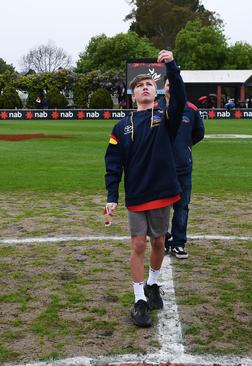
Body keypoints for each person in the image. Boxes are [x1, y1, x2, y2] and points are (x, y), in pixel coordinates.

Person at [105, 50, 186, 327]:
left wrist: (172, 66)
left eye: (148, 85)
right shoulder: (121, 126)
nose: (144, 88)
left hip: (163, 191)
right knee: (138, 243)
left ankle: (153, 284)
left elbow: (181, 100)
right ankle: (139, 299)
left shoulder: (166, 117)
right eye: (139, 86)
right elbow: (113, 164)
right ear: (133, 94)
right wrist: (111, 196)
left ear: (157, 91)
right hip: (137, 195)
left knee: (159, 241)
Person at [162, 79, 205, 259]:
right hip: (159, 167)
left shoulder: (192, 109)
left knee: (182, 207)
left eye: (174, 83)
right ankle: (162, 240)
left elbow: (198, 134)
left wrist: (183, 148)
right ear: (163, 87)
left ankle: (178, 242)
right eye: (167, 83)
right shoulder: (155, 108)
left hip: (182, 167)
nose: (170, 86)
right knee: (160, 207)